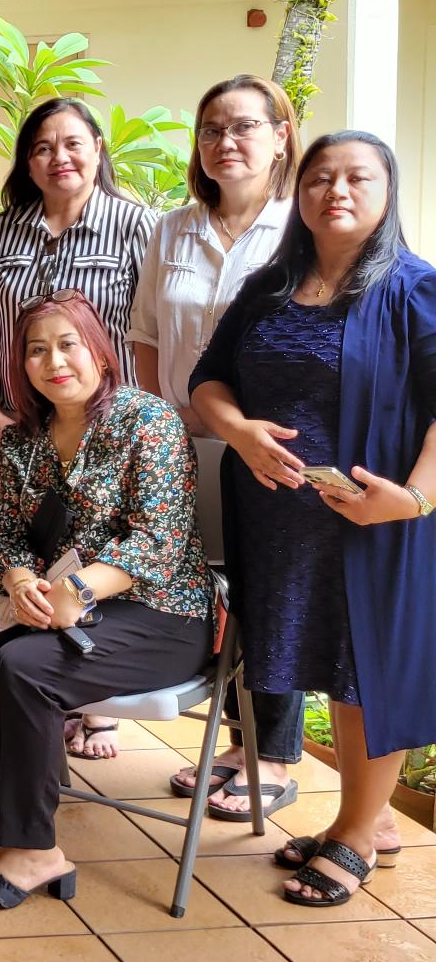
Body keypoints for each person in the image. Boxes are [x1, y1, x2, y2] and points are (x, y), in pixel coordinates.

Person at [192, 132, 436, 907]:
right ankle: (349, 824)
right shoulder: (269, 287)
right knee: (326, 665)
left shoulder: (414, 290)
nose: (336, 190)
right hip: (277, 523)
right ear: (297, 193)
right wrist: (238, 430)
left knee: (368, 672)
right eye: (320, 177)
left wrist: (416, 498)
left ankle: (360, 834)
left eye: (357, 177)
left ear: (387, 192)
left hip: (373, 524)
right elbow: (208, 383)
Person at [0, 291, 213, 910]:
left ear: (99, 349)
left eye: (68, 343)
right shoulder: (24, 440)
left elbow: (158, 541)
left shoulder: (148, 421)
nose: (53, 361)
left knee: (22, 667)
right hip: (61, 604)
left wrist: (76, 591)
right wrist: (18, 582)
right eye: (36, 350)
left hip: (161, 615)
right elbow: (8, 532)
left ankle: (36, 851)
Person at [129, 76, 304, 821]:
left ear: (280, 136)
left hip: (263, 450)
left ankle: (274, 753)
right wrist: (162, 424)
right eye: (210, 130)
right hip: (178, 449)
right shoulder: (172, 229)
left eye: (242, 128)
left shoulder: (304, 230)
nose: (225, 143)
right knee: (200, 586)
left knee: (266, 592)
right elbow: (142, 336)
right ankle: (234, 740)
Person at [0, 99, 154, 759]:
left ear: (98, 149)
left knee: (104, 547)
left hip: (111, 425)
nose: (59, 158)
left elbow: (148, 331)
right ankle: (50, 684)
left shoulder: (136, 226)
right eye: (43, 147)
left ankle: (94, 698)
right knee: (39, 539)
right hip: (30, 426)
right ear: (27, 161)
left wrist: (142, 420)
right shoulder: (5, 232)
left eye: (72, 143)